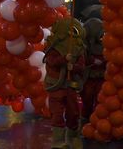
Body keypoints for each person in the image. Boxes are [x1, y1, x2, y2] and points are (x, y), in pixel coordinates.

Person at [43, 18, 85, 149]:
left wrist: (74, 67)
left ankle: (73, 137)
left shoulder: (78, 48)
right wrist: (63, 59)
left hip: (70, 86)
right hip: (56, 86)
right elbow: (51, 61)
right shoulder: (53, 46)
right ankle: (58, 141)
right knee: (57, 113)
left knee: (73, 112)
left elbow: (82, 66)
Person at [81, 18, 105, 124]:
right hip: (89, 76)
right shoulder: (85, 45)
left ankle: (96, 117)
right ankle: (86, 117)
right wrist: (92, 60)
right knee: (87, 98)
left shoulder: (104, 43)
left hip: (101, 76)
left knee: (99, 98)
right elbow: (82, 58)